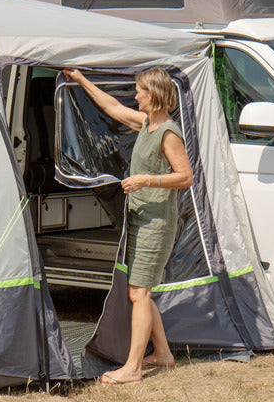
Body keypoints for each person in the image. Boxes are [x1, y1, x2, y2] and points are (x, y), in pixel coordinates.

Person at [62, 67, 193, 385]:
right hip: (141, 219)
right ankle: (162, 354)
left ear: (155, 95)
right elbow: (112, 107)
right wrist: (81, 80)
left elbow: (186, 176)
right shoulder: (148, 123)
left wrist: (147, 179)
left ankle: (133, 368)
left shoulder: (168, 133)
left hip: (157, 223)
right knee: (141, 293)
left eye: (140, 91)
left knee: (139, 293)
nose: (135, 96)